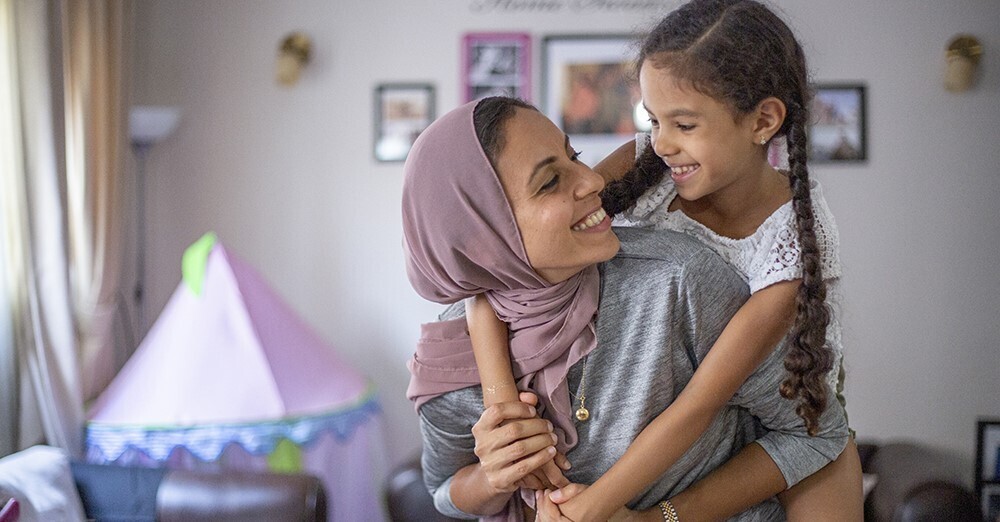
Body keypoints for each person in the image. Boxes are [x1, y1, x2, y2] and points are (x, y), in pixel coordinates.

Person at [462, 1, 861, 519]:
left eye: (685, 124)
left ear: (763, 120)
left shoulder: (792, 240)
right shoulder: (646, 163)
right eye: (654, 120)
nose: (663, 143)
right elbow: (513, 266)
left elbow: (700, 404)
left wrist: (596, 509)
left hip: (785, 416)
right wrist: (505, 412)